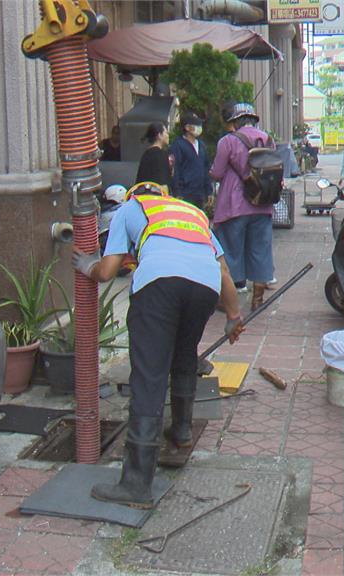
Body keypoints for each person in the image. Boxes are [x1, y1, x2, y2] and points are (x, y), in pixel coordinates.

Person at [73, 181, 245, 508]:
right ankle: (180, 431)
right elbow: (223, 269)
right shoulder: (191, 212)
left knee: (149, 376)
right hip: (204, 286)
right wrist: (233, 317)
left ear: (133, 196)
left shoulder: (129, 209)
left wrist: (87, 266)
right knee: (184, 356)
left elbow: (108, 270)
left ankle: (136, 484)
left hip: (159, 283)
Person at [209, 102, 275, 311]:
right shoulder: (267, 139)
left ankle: (228, 301)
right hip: (262, 202)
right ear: (254, 119)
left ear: (236, 122)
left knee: (229, 250)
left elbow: (217, 172)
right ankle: (257, 298)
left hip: (233, 204)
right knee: (260, 249)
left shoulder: (227, 141)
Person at [170, 112, 211, 210]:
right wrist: (177, 192)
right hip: (185, 193)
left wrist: (209, 190)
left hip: (200, 193)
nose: (199, 127)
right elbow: (176, 170)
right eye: (196, 124)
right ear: (187, 127)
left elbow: (206, 168)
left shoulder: (201, 145)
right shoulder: (178, 145)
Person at [135, 122, 173, 190]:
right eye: (166, 133)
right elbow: (163, 183)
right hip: (157, 196)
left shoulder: (146, 154)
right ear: (159, 135)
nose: (168, 135)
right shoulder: (161, 154)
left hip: (144, 195)